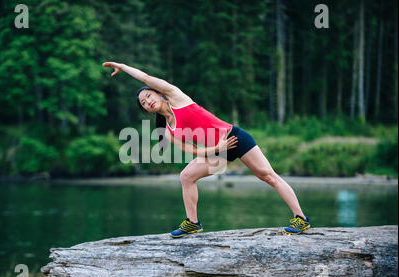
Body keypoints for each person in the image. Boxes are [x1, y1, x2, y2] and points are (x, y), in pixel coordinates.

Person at [102, 61, 310, 237]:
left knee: (268, 176)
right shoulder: (167, 131)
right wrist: (216, 148)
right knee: (186, 176)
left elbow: (145, 77)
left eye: (148, 96)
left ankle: (301, 219)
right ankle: (193, 222)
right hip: (217, 149)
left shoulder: (176, 96)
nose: (148, 101)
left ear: (159, 93)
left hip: (235, 137)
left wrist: (122, 66)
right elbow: (193, 150)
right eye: (144, 103)